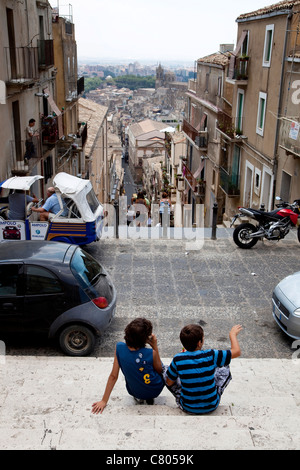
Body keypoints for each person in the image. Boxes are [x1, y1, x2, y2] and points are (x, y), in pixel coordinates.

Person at [91, 318, 165, 414]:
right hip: (155, 390)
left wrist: (104, 400)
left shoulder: (119, 348)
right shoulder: (151, 353)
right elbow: (159, 370)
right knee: (164, 367)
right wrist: (154, 346)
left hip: (134, 391)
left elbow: (113, 376)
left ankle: (140, 397)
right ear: (146, 339)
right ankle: (149, 397)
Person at [165, 324, 243, 415]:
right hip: (212, 405)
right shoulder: (211, 354)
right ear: (199, 343)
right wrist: (232, 334)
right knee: (224, 365)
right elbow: (237, 352)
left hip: (187, 406)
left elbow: (169, 382)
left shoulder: (178, 359)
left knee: (167, 371)